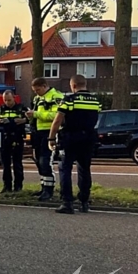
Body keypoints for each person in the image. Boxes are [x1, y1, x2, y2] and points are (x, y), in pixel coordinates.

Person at [49, 75, 101, 214]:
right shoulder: (95, 101)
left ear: (73, 86)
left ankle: (67, 203)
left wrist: (51, 138)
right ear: (85, 84)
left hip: (71, 138)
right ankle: (84, 202)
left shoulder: (70, 100)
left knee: (65, 168)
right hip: (89, 138)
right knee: (84, 169)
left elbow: (57, 120)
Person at [27, 78, 64, 201]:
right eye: (34, 91)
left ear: (44, 86)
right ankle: (44, 187)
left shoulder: (56, 96)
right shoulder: (38, 98)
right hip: (38, 132)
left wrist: (36, 114)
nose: (36, 93)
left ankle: (49, 190)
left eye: (38, 90)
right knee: (38, 160)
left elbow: (57, 115)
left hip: (50, 132)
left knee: (45, 160)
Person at [0, 90, 29, 193]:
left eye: (9, 100)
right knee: (5, 164)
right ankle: (6, 186)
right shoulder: (0, 109)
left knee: (17, 164)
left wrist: (23, 120)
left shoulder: (21, 108)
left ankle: (18, 186)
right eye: (5, 100)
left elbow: (30, 119)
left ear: (14, 98)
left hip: (17, 138)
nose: (7, 102)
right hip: (4, 139)